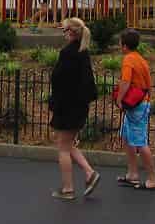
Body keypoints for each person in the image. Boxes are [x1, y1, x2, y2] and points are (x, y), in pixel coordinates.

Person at [48, 17, 100, 200]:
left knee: (63, 147)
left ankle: (68, 188)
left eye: (64, 31)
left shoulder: (68, 54)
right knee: (68, 143)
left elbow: (60, 82)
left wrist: (54, 104)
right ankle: (89, 172)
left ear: (71, 32)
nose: (63, 34)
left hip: (67, 107)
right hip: (79, 107)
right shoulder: (83, 52)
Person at [115, 29, 155, 191]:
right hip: (143, 102)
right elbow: (149, 83)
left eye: (120, 43)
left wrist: (119, 99)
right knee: (127, 136)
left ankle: (153, 178)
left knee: (140, 141)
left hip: (136, 105)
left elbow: (125, 81)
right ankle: (132, 173)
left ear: (125, 45)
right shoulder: (141, 60)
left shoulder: (128, 60)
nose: (119, 46)